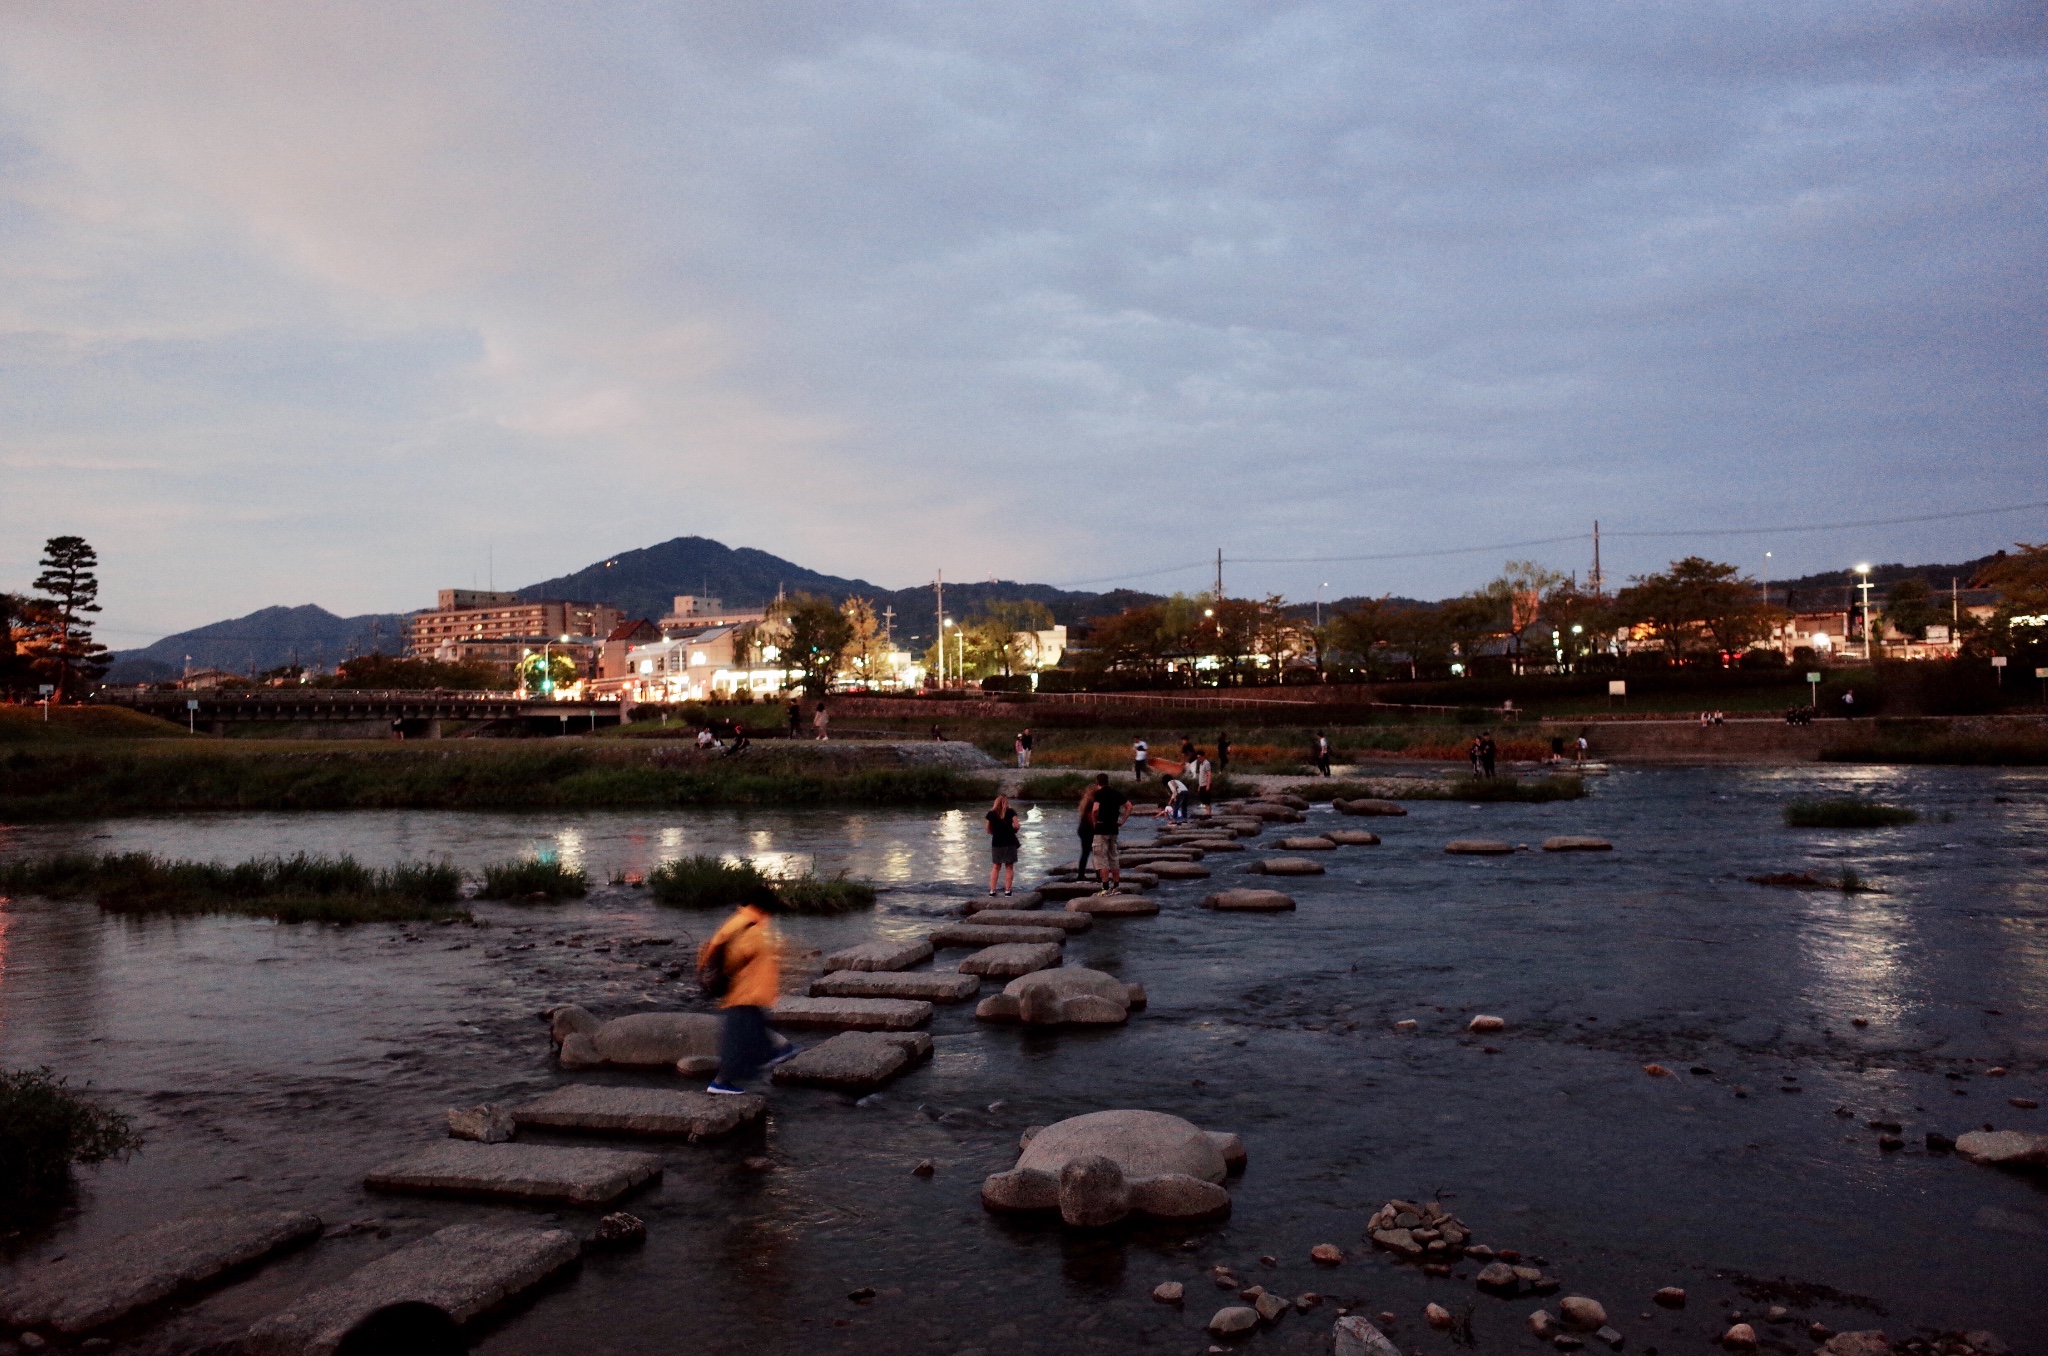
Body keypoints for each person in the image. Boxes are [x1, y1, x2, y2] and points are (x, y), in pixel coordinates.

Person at [697, 894, 796, 1095]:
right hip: (744, 991)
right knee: (737, 1039)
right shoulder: (748, 928)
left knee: (752, 1029)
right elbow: (738, 956)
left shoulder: (742, 922)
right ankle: (721, 1082)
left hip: (747, 991)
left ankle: (768, 1054)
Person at [1090, 772, 1130, 891]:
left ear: (1097, 783)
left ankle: (1105, 887)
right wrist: (1122, 821)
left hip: (1101, 829)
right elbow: (1129, 806)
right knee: (1113, 857)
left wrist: (1094, 822)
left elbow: (1094, 810)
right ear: (1108, 782)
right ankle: (1116, 886)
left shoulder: (1098, 794)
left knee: (1101, 859)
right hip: (1114, 828)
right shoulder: (1116, 793)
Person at [985, 793, 1021, 896]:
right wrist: (1014, 830)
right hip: (1009, 841)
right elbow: (1017, 825)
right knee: (1009, 867)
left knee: (996, 866)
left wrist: (995, 833)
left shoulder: (991, 813)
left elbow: (987, 829)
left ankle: (992, 891)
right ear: (1006, 803)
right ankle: (1007, 891)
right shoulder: (1011, 812)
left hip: (997, 842)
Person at [1075, 780, 1100, 888]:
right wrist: (1097, 829)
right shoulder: (1092, 802)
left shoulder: (1084, 801)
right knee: (1096, 853)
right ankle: (1098, 877)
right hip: (1089, 829)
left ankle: (1080, 876)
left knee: (1085, 853)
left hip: (1082, 828)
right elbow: (1091, 818)